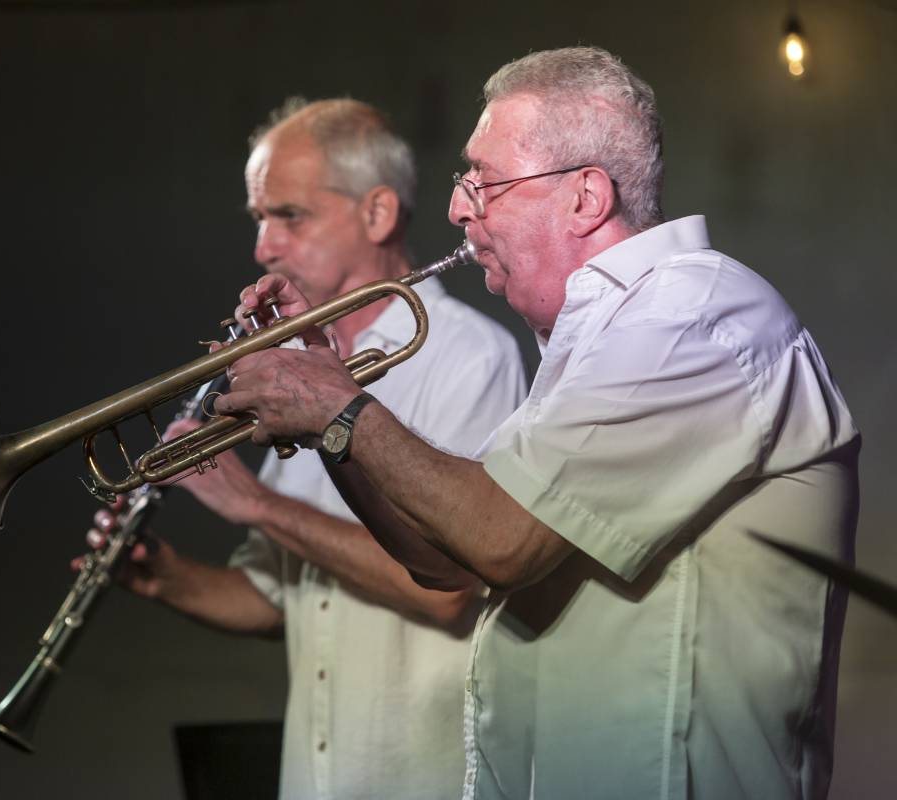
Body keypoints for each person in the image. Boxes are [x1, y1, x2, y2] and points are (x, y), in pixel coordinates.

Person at [216, 49, 860, 800]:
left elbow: (499, 542)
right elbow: (443, 558)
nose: (459, 208)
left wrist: (336, 404)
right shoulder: (590, 346)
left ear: (586, 198)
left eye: (483, 180)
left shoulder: (690, 314)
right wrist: (330, 417)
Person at [86, 98, 527, 800]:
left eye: (288, 215)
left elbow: (453, 592)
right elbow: (282, 598)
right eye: (259, 219)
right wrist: (164, 578)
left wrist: (259, 504)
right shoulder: (296, 366)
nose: (264, 246)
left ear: (378, 213)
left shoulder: (470, 355)